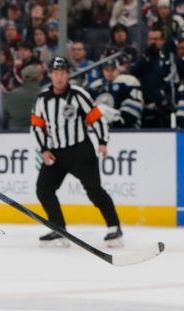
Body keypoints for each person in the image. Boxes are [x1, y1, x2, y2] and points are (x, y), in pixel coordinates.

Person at [30, 57, 123, 247]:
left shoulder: (79, 94)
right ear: (51, 75)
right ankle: (59, 229)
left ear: (68, 75)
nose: (59, 77)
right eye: (56, 73)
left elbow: (96, 119)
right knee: (43, 189)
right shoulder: (42, 98)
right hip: (56, 152)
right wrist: (44, 149)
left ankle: (114, 227)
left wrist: (103, 142)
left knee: (94, 190)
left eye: (63, 73)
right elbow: (37, 126)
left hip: (81, 151)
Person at [87, 56, 143, 129]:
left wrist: (120, 122)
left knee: (101, 109)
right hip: (100, 126)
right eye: (107, 70)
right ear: (103, 71)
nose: (109, 73)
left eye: (112, 69)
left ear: (118, 70)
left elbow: (133, 109)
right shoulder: (94, 86)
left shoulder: (128, 81)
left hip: (125, 127)